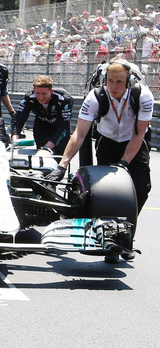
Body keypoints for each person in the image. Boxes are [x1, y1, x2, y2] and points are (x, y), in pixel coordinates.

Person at [55, 62, 153, 263]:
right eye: (110, 81)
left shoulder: (143, 96)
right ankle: (111, 242)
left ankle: (128, 236)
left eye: (119, 82)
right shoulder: (95, 97)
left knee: (141, 188)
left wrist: (124, 163)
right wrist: (62, 164)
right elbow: (80, 134)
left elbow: (139, 134)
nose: (114, 86)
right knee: (108, 192)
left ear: (129, 82)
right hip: (107, 142)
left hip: (134, 141)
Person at [10, 75, 73, 156]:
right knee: (41, 159)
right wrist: (15, 141)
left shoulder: (64, 99)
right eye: (37, 93)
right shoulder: (29, 97)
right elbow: (18, 119)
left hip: (59, 130)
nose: (40, 97)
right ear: (34, 90)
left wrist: (47, 148)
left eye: (44, 94)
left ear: (51, 91)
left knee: (58, 158)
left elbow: (63, 126)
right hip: (41, 128)